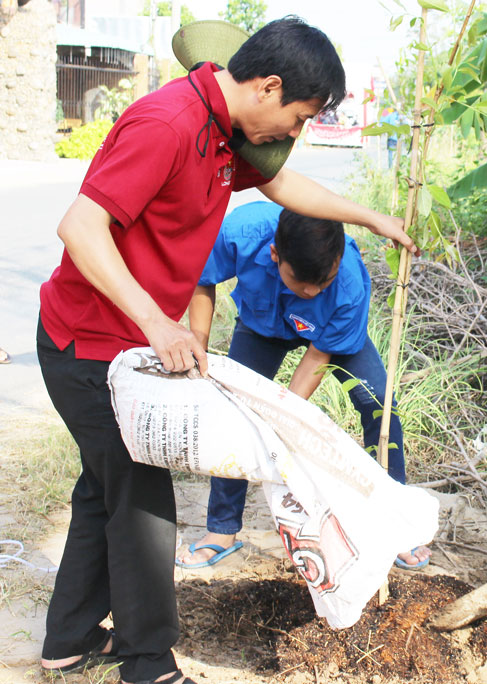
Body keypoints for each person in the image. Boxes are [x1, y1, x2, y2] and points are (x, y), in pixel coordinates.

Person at [36, 17, 415, 684]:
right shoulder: (169, 124)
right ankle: (149, 665)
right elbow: (81, 226)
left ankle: (67, 639)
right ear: (268, 88)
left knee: (105, 491)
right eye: (297, 117)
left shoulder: (223, 133)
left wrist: (370, 217)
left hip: (119, 345)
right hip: (90, 344)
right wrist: (161, 324)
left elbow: (283, 188)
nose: (294, 136)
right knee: (143, 502)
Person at [174, 201, 430, 571]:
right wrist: (197, 340)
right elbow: (203, 278)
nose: (310, 292)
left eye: (321, 283)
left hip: (324, 337)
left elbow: (316, 357)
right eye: (301, 282)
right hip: (262, 327)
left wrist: (284, 416)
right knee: (234, 411)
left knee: (379, 405)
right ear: (275, 255)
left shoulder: (349, 284)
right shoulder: (242, 233)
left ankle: (397, 526)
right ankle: (221, 530)